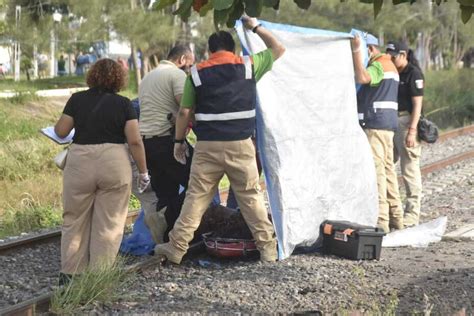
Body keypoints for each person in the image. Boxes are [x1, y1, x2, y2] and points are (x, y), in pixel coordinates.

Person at [154, 17, 286, 264]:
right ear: (232, 49)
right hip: (241, 145)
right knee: (250, 198)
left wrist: (179, 142)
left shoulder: (196, 72)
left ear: (210, 51)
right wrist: (255, 26)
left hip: (207, 147)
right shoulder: (248, 66)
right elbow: (279, 48)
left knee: (196, 198)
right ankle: (268, 250)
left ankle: (176, 248)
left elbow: (184, 113)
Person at [54, 58, 149, 285]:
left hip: (80, 162)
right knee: (110, 221)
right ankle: (99, 278)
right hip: (114, 162)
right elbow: (135, 141)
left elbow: (60, 131)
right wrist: (144, 172)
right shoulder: (124, 104)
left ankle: (70, 277)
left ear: (92, 76)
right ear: (118, 79)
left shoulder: (77, 100)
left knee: (74, 218)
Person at [138, 45, 195, 242]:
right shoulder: (176, 75)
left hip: (147, 144)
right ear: (181, 60)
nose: (189, 70)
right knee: (200, 183)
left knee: (166, 193)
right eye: (189, 65)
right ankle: (165, 217)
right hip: (167, 141)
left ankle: (167, 240)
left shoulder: (148, 77)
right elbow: (185, 106)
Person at [351, 34, 404, 233]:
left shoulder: (379, 65)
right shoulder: (391, 64)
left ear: (370, 49)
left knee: (377, 172)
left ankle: (381, 221)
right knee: (389, 170)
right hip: (388, 126)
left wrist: (357, 51)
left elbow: (362, 77)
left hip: (375, 125)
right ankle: (397, 217)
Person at [386, 42, 425, 228]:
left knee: (409, 168)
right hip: (391, 121)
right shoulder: (394, 72)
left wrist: (412, 130)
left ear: (403, 55)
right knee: (386, 165)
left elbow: (418, 105)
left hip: (407, 121)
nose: (391, 60)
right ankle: (391, 210)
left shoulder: (413, 73)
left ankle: (412, 214)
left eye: (394, 57)